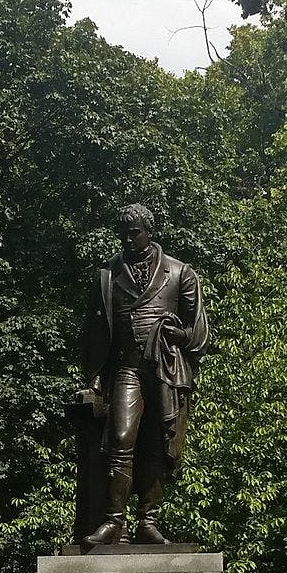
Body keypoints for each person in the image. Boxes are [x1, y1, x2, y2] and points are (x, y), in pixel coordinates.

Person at [79, 204, 210, 545]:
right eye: (122, 234)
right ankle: (114, 521)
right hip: (128, 367)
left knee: (158, 443)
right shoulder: (108, 276)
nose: (127, 239)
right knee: (121, 438)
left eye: (134, 233)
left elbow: (198, 333)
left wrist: (175, 333)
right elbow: (95, 333)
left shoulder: (179, 272)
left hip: (166, 369)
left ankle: (147, 521)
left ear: (149, 231)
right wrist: (93, 378)